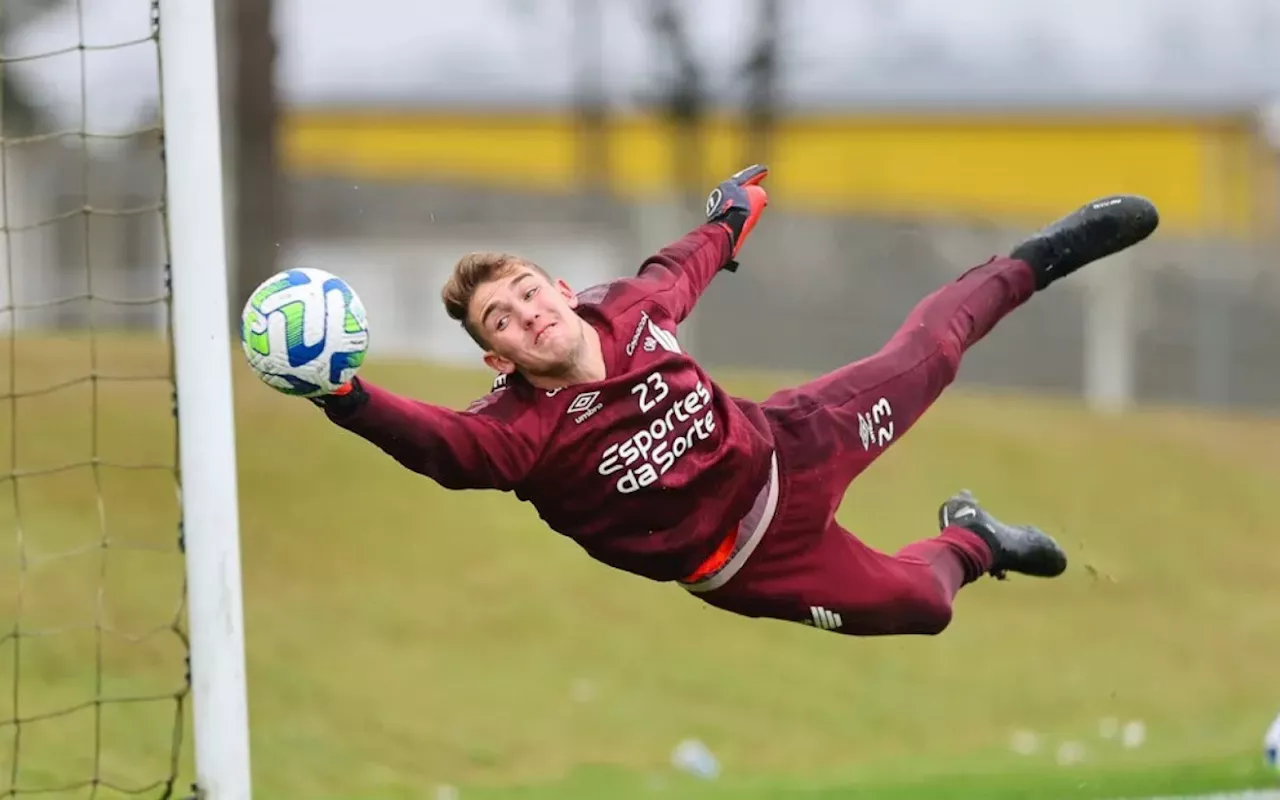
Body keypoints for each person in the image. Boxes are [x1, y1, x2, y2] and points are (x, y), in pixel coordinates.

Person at [310, 165, 1159, 637]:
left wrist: (728, 217)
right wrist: (345, 394)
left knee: (930, 352)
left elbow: (678, 269)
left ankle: (1046, 254)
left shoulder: (625, 310)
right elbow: (436, 446)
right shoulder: (512, 433)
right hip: (751, 564)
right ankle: (972, 538)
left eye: (530, 291)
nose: (530, 314)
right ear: (497, 355)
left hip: (794, 447)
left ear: (561, 289)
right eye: (505, 318)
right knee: (926, 606)